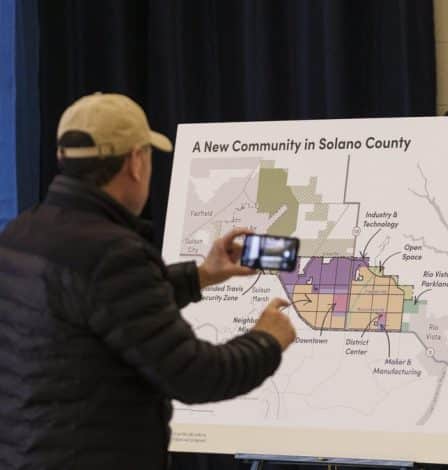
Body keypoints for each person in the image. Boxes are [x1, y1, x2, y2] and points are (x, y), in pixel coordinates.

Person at [0, 93, 296, 469]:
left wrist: (202, 275)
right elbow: (196, 375)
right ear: (136, 162)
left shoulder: (22, 232)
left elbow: (99, 308)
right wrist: (267, 339)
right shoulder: (112, 253)